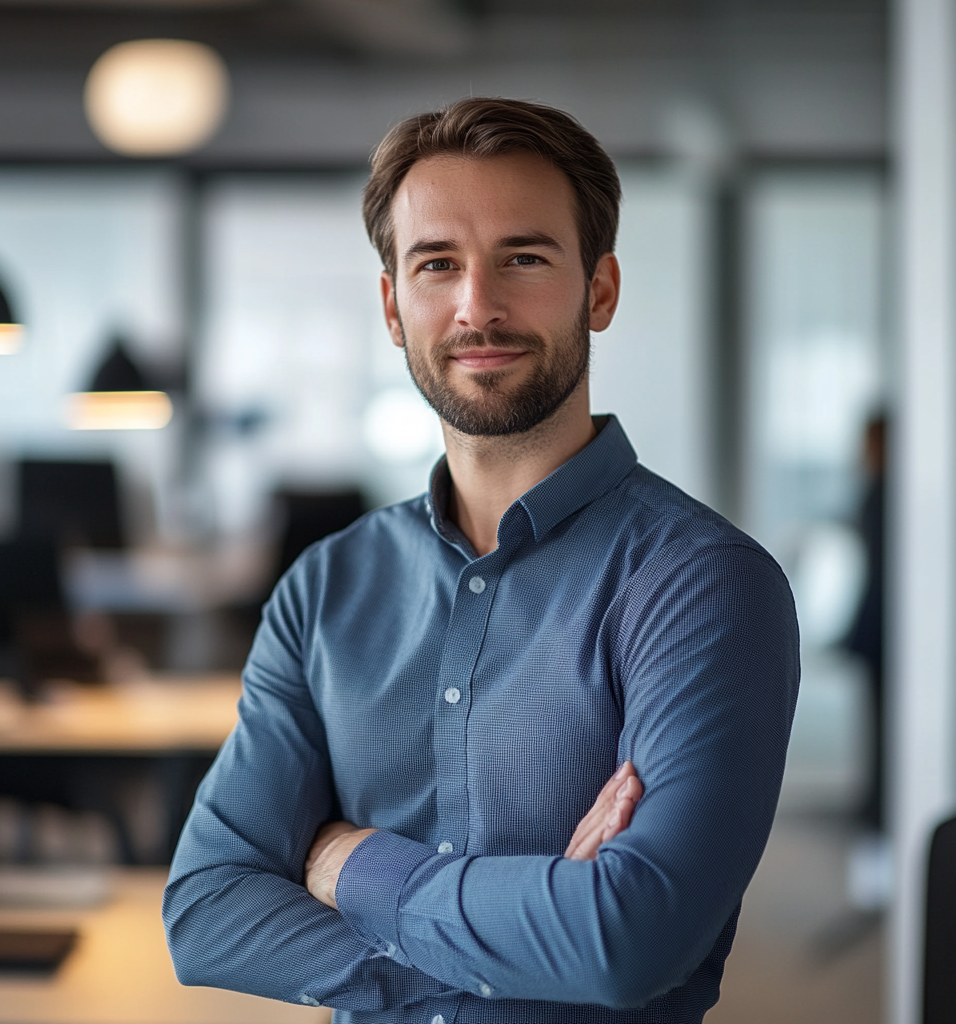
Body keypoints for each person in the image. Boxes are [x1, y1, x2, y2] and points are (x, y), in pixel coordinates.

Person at [163, 98, 800, 1024]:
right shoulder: (325, 588)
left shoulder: (703, 585)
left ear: (601, 290)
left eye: (525, 258)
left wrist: (346, 863)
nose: (478, 306)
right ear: (393, 305)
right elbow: (207, 911)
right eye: (437, 264)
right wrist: (525, 946)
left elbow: (625, 943)